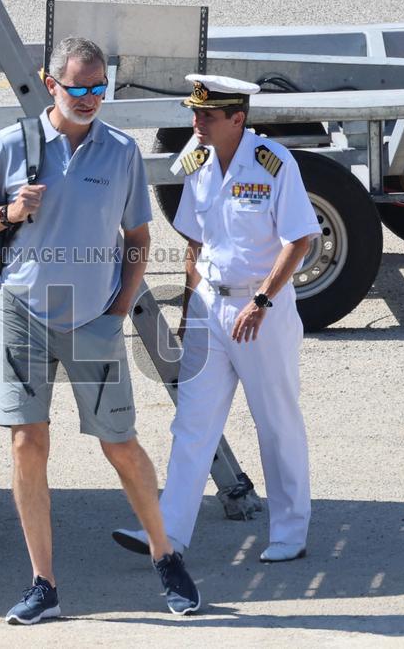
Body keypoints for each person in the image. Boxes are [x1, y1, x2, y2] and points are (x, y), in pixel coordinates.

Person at [0, 37, 200, 624]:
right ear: (51, 84)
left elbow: (138, 241)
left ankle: (165, 556)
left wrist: (119, 309)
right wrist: (12, 213)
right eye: (80, 88)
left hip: (94, 317)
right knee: (26, 441)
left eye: (100, 88)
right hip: (24, 311)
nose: (92, 98)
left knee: (119, 443)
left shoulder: (119, 152)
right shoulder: (15, 142)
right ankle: (43, 583)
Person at [113, 74, 320, 564]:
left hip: (260, 311)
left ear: (237, 119)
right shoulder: (199, 161)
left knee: (276, 423)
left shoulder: (274, 164)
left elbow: (299, 239)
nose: (196, 121)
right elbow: (195, 245)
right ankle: (167, 535)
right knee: (192, 423)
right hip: (211, 306)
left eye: (207, 115)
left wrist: (264, 300)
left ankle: (290, 532)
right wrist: (188, 311)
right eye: (195, 113)